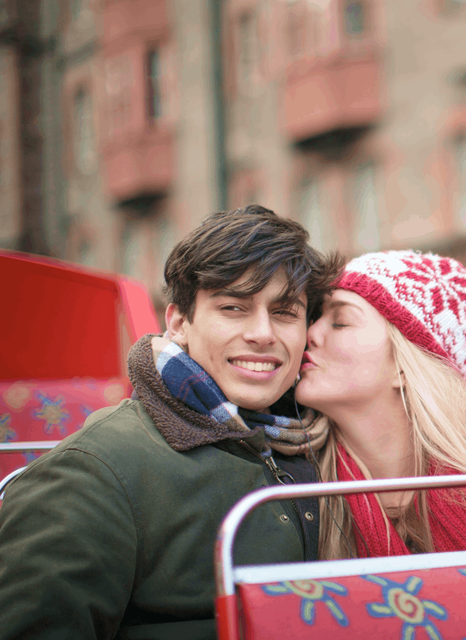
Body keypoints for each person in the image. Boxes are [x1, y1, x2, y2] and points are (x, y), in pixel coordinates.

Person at [0, 205, 342, 640]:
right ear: (179, 322)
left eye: (284, 312)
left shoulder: (325, 441)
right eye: (234, 307)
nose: (263, 333)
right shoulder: (92, 472)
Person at [296, 249, 466, 561]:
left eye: (341, 322)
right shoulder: (292, 491)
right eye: (317, 316)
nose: (310, 334)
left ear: (404, 367)